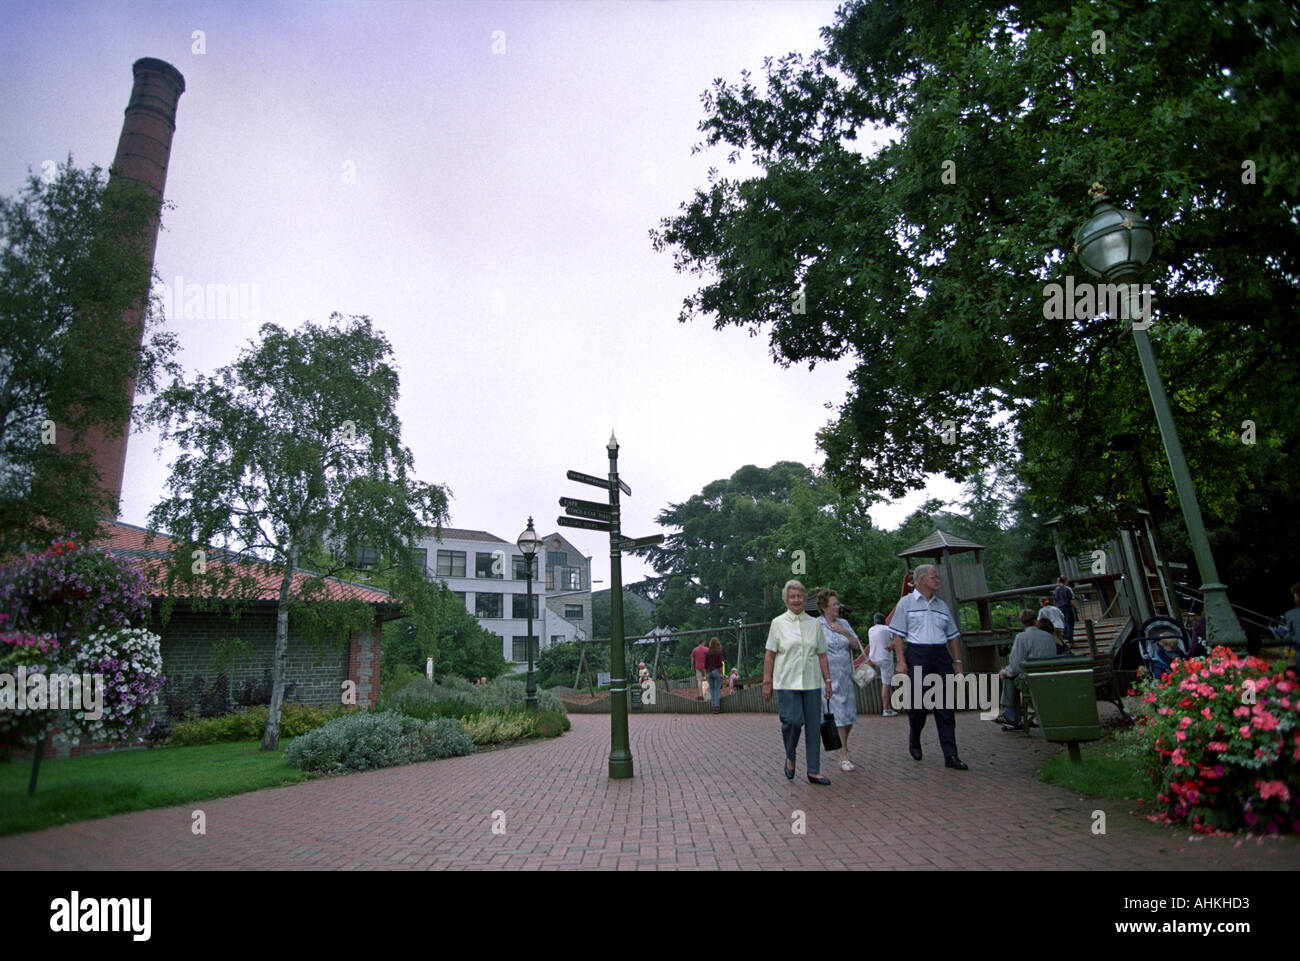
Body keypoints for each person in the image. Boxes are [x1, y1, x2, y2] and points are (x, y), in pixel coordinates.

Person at [891, 564, 968, 770]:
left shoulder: (941, 606)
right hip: (917, 654)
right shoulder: (905, 603)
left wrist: (958, 664)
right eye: (934, 577)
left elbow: (952, 637)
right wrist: (901, 661)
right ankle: (914, 738)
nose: (937, 580)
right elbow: (897, 634)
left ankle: (951, 755)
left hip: (941, 656)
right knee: (919, 706)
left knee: (945, 708)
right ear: (922, 579)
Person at [763, 580, 833, 784]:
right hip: (787, 682)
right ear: (786, 599)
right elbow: (769, 655)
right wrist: (767, 682)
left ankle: (814, 771)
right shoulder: (778, 623)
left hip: (812, 682)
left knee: (813, 726)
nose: (796, 600)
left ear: (804, 598)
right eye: (792, 596)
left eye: (800, 596)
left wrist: (828, 681)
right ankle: (790, 755)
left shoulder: (814, 624)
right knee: (792, 722)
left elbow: (822, 655)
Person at [816, 588, 863, 771]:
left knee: (849, 716)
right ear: (825, 607)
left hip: (846, 676)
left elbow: (856, 645)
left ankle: (843, 746)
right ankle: (843, 754)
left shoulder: (843, 623)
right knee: (838, 716)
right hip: (828, 677)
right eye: (834, 604)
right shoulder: (817, 625)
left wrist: (844, 631)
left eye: (838, 603)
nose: (838, 607)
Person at [992, 610, 1058, 730]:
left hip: (1032, 680)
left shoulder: (1022, 637)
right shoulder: (1048, 636)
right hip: (1049, 677)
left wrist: (1004, 672)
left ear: (1022, 623)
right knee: (1011, 675)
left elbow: (1016, 666)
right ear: (1035, 620)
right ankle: (1011, 715)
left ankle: (1011, 714)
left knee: (1009, 677)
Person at [862, 612, 898, 716]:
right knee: (886, 684)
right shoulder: (888, 629)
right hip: (885, 658)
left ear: (875, 621)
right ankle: (886, 709)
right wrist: (892, 646)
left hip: (873, 658)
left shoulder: (871, 630)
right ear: (884, 621)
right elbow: (898, 638)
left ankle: (861, 680)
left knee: (864, 677)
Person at [1053, 576, 1078, 643]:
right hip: (1067, 607)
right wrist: (1077, 608)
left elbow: (1055, 600)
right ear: (1065, 581)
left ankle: (1064, 635)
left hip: (1059, 608)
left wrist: (1055, 608)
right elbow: (1072, 600)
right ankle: (1070, 638)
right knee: (1069, 622)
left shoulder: (1056, 590)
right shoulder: (1068, 589)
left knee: (1063, 622)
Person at [705, 637, 724, 713]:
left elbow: (706, 664)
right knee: (717, 690)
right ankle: (717, 707)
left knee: (712, 690)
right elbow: (720, 664)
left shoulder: (708, 652)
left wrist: (706, 673)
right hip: (716, 671)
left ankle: (713, 708)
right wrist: (722, 674)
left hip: (709, 672)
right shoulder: (718, 652)